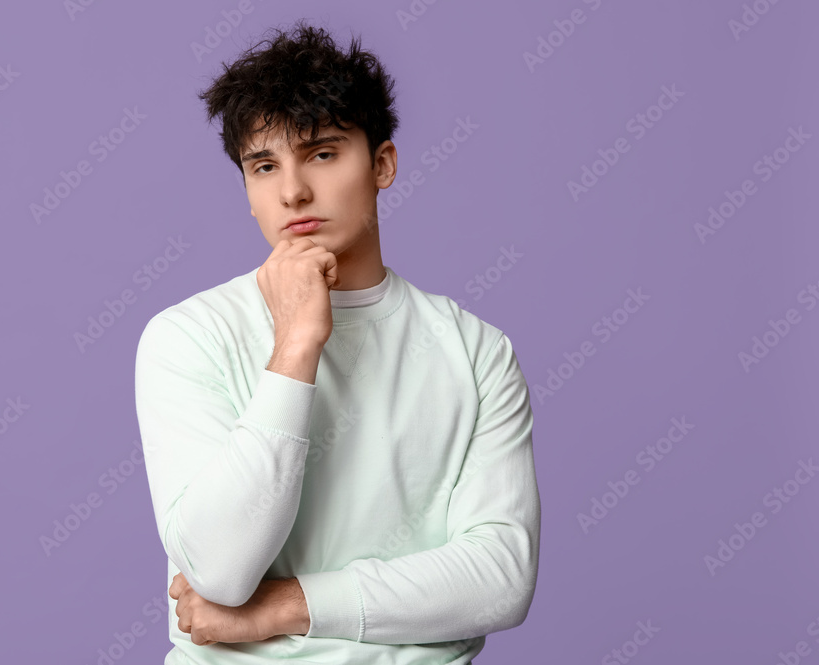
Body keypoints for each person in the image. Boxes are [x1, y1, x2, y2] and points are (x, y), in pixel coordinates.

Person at [133, 18, 540, 665]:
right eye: (264, 165)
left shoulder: (476, 350)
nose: (293, 190)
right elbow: (219, 570)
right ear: (246, 189)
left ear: (382, 164)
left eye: (322, 153)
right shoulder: (187, 337)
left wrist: (290, 605)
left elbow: (501, 578)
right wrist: (296, 344)